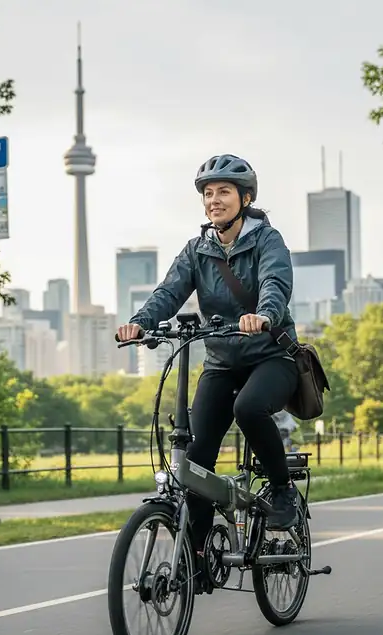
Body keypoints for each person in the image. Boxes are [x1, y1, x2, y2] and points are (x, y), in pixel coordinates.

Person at [116, 153, 300, 589]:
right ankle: (196, 558)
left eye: (223, 192)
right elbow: (169, 292)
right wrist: (141, 322)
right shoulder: (197, 250)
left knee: (251, 408)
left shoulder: (268, 241)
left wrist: (265, 313)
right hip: (221, 361)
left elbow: (275, 283)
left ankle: (281, 490)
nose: (214, 200)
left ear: (245, 198)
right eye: (208, 193)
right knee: (194, 464)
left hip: (271, 356)